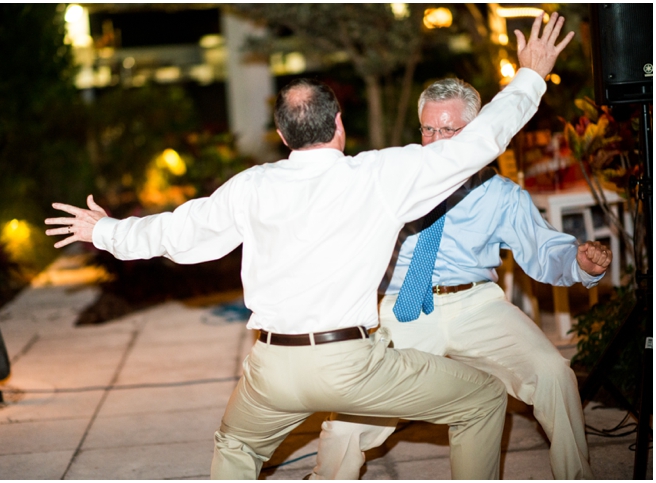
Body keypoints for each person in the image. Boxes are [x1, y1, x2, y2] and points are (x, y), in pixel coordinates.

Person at [45, 14, 574, 479]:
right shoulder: (378, 176)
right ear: (340, 126)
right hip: (349, 365)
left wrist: (105, 231)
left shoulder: (252, 186)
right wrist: (529, 76)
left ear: (282, 135)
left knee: (236, 444)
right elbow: (480, 143)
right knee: (481, 398)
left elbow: (178, 236)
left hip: (270, 368)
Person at [309, 78, 612, 480]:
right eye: (429, 129)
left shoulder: (501, 194)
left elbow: (542, 249)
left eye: (449, 130)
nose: (437, 141)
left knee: (555, 375)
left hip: (476, 304)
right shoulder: (398, 178)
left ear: (478, 132)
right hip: (404, 305)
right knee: (352, 415)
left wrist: (579, 261)